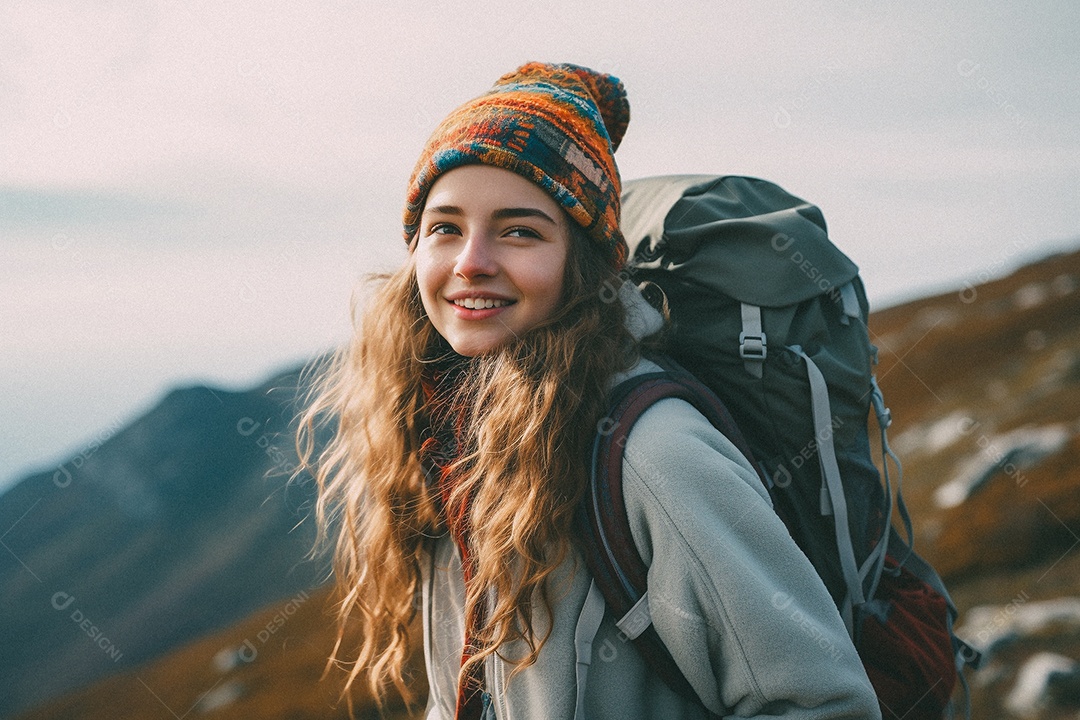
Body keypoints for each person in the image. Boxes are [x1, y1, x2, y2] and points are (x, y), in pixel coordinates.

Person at [298, 62, 882, 719]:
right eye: (446, 227)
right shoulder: (443, 432)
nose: (471, 261)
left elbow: (824, 701)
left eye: (519, 230)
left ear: (584, 263)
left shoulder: (653, 456)